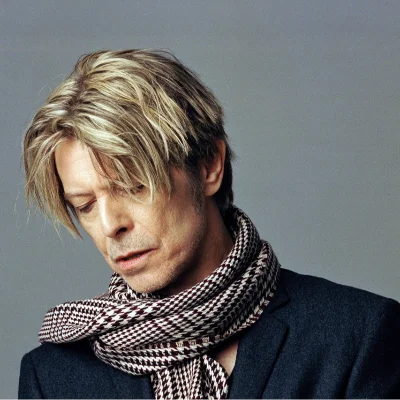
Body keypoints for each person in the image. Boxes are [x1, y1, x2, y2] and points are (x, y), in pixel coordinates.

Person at [19, 49, 399, 400]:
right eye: (85, 205)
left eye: (134, 187)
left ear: (209, 166)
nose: (109, 226)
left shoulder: (356, 337)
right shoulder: (52, 377)